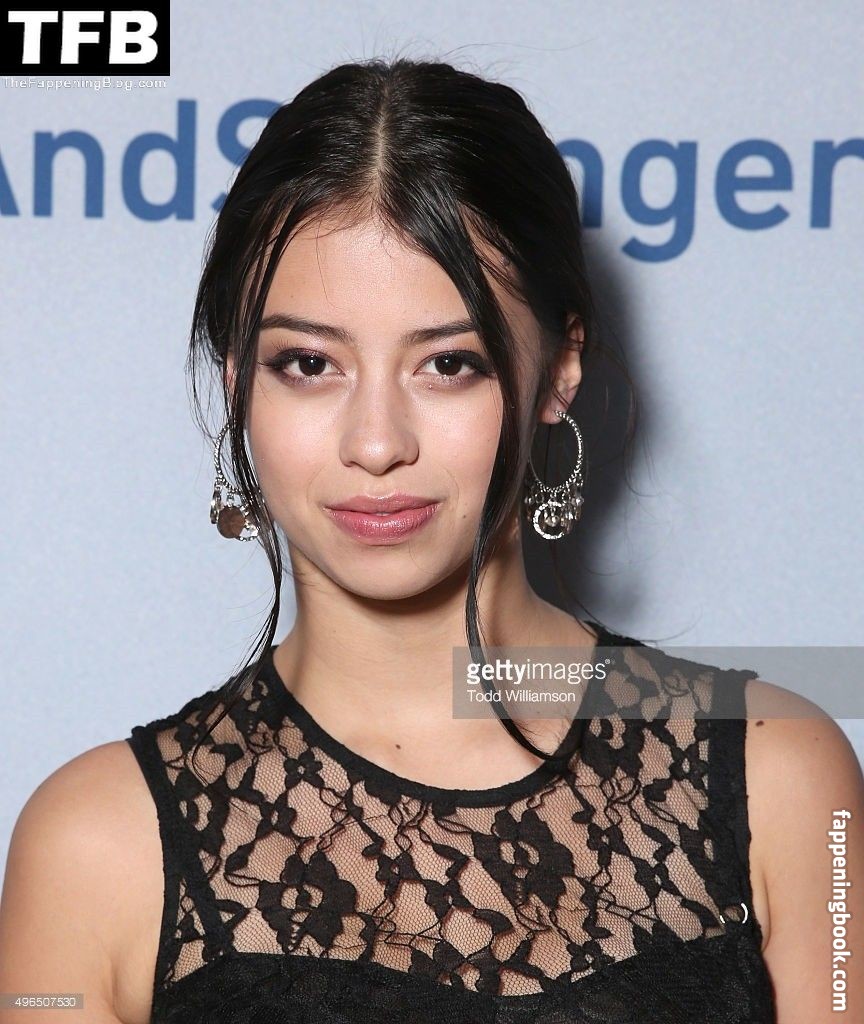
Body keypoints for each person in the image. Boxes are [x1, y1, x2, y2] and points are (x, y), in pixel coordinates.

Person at [1, 56, 862, 1024]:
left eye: (449, 363)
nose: (377, 444)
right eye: (309, 363)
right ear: (239, 377)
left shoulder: (781, 776)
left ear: (560, 368)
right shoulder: (95, 849)